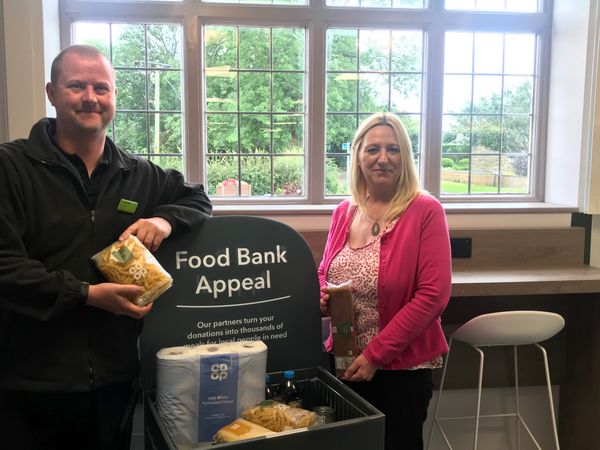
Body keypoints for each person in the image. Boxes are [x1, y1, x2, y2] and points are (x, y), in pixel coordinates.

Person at [0, 45, 212, 449]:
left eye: (102, 87)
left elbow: (199, 199)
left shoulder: (139, 174)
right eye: (76, 85)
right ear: (51, 92)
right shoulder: (10, 167)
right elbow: (5, 267)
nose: (90, 97)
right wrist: (86, 295)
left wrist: (163, 220)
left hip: (114, 381)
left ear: (114, 96)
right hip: (30, 381)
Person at [318, 112, 452, 450]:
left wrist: (376, 355)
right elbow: (325, 271)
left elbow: (433, 296)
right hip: (346, 364)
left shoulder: (425, 210)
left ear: (404, 158)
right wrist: (322, 295)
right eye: (372, 149)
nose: (382, 158)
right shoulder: (344, 212)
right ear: (358, 156)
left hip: (400, 370)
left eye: (393, 149)